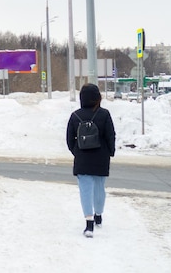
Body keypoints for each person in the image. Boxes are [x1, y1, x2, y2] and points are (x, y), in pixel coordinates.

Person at [66, 83, 116, 238]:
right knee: (99, 188)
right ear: (97, 98)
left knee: (85, 190)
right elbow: (110, 135)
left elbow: (69, 139)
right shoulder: (104, 114)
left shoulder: (75, 116)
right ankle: (98, 216)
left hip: (82, 158)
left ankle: (89, 224)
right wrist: (110, 152)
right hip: (101, 157)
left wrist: (77, 152)